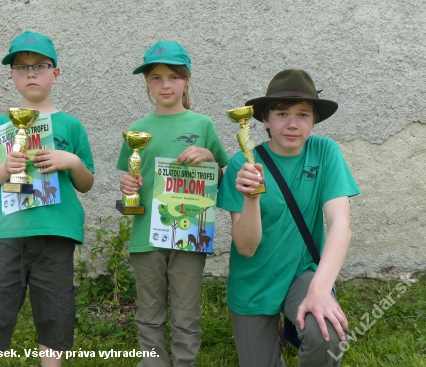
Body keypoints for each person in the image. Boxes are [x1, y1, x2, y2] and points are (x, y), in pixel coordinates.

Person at [217, 69, 360, 367]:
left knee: (328, 333)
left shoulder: (325, 152)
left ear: (314, 121)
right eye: (282, 114)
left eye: (303, 115)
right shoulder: (241, 164)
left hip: (302, 272)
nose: (292, 124)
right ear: (265, 120)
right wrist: (251, 197)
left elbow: (340, 224)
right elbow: (245, 247)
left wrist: (320, 290)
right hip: (253, 281)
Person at [0, 31, 94, 367]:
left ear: (56, 73)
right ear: (12, 75)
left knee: (55, 315)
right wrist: (3, 169)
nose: (31, 74)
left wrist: (72, 162)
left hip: (56, 234)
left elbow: (87, 183)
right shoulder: (0, 125)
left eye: (40, 66)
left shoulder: (70, 125)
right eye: (21, 68)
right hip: (6, 235)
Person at [117, 40, 230, 367]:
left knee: (186, 314)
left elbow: (222, 177)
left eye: (173, 77)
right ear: (147, 83)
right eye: (156, 77)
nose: (165, 84)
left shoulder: (202, 125)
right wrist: (127, 187)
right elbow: (132, 186)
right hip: (145, 237)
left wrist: (209, 159)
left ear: (187, 80)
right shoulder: (136, 130)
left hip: (189, 235)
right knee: (149, 314)